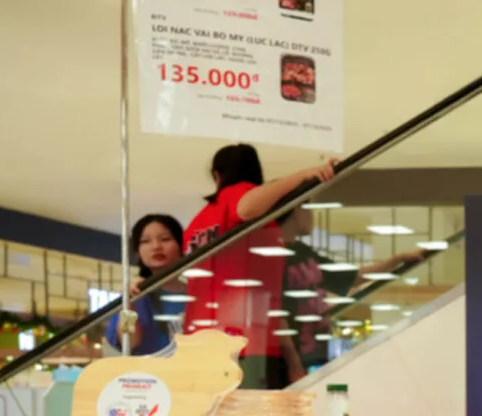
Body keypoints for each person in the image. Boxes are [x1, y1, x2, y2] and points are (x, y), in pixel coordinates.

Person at [181, 143, 334, 388]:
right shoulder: (238, 197)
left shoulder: (199, 222)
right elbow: (246, 207)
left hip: (200, 340)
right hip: (243, 342)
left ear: (217, 175)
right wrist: (304, 175)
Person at [106, 214, 186, 356]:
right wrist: (130, 303)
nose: (156, 246)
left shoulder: (200, 292)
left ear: (181, 246)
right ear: (138, 252)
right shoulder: (137, 295)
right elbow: (129, 343)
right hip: (152, 369)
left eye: (165, 239)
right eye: (145, 241)